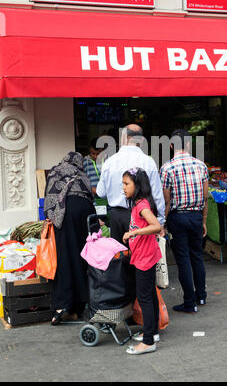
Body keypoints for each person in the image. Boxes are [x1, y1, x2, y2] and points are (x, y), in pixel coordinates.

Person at [44, 151, 96, 325]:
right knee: (82, 258)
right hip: (84, 212)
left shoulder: (55, 171)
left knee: (65, 258)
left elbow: (50, 199)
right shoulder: (82, 174)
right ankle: (80, 305)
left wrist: (50, 218)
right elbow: (90, 196)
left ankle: (63, 305)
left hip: (64, 213)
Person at [160, 129, 209, 313]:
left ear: (171, 145)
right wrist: (203, 220)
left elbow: (167, 201)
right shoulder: (201, 166)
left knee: (183, 260)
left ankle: (190, 302)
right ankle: (201, 296)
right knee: (197, 256)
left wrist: (162, 223)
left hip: (177, 217)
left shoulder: (167, 168)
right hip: (196, 216)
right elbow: (205, 198)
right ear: (189, 144)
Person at [96, 124, 165, 244]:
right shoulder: (148, 162)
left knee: (119, 257)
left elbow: (100, 193)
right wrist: (159, 222)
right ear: (142, 140)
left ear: (123, 138)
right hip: (142, 217)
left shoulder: (110, 162)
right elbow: (157, 195)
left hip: (116, 216)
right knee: (140, 258)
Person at [122, 168, 162, 355]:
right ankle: (152, 332)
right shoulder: (140, 203)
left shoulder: (142, 206)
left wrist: (133, 233)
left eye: (126, 184)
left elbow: (155, 226)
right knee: (150, 295)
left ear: (137, 185)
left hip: (145, 257)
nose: (123, 188)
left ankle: (148, 342)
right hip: (145, 254)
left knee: (144, 296)